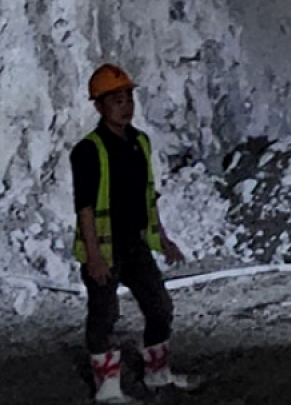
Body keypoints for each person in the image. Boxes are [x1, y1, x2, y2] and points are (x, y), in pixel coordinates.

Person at [71, 63, 191, 402]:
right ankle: (108, 390)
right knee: (104, 315)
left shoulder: (140, 142)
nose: (125, 105)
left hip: (135, 243)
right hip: (106, 249)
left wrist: (163, 239)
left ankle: (157, 373)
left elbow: (147, 196)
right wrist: (94, 256)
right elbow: (85, 207)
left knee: (160, 307)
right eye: (116, 100)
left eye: (128, 98)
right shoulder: (88, 150)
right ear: (99, 106)